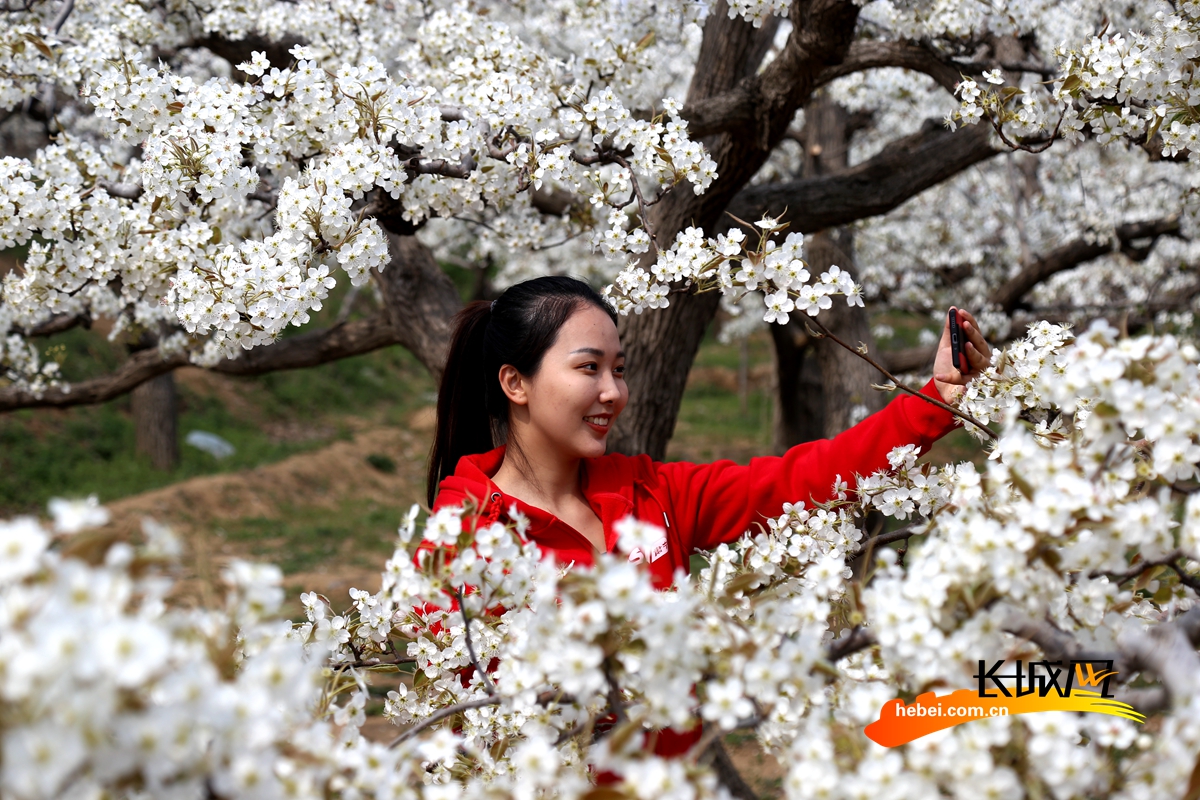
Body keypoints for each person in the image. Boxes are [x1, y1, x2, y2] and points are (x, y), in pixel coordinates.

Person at [423, 275, 991, 753]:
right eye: (588, 368)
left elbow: (801, 482)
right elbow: (462, 734)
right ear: (515, 382)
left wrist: (935, 399)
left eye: (618, 369)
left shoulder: (651, 495)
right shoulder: (463, 545)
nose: (613, 392)